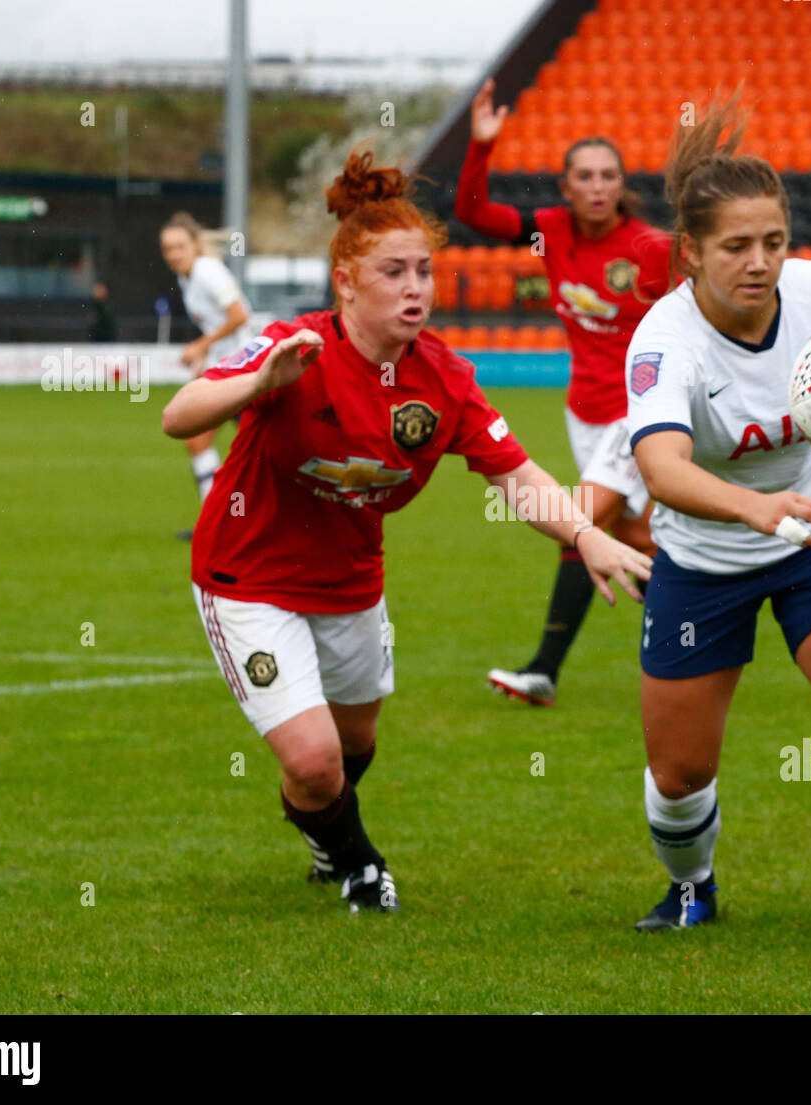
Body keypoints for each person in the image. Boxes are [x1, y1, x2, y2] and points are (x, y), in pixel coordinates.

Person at [161, 147, 651, 913]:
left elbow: (518, 477)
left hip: (351, 583)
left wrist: (586, 535)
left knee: (354, 747)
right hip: (247, 580)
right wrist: (257, 383)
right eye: (393, 272)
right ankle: (360, 863)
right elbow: (177, 414)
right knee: (317, 758)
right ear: (346, 282)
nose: (415, 287)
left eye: (423, 270)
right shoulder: (297, 347)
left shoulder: (446, 379)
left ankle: (324, 829)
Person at [624, 97, 811, 932]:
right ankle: (694, 887)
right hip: (705, 556)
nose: (760, 263)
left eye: (775, 242)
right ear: (690, 253)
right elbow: (661, 467)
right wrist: (753, 508)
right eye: (735, 246)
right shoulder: (664, 343)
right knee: (679, 773)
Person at [454, 77, 673, 706]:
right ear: (566, 185)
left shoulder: (651, 249)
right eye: (585, 176)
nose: (598, 186)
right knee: (638, 541)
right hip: (585, 415)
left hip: (638, 414)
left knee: (576, 522)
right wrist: (481, 148)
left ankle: (544, 670)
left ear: (622, 183)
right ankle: (707, 631)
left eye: (609, 175)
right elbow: (471, 213)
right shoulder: (550, 229)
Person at [159, 212, 255, 538]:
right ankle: (217, 522)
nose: (173, 254)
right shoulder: (190, 278)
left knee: (262, 452)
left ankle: (226, 523)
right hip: (226, 369)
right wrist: (205, 356)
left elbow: (240, 315)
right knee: (198, 441)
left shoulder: (207, 272)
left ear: (195, 245)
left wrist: (202, 345)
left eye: (179, 246)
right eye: (168, 249)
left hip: (243, 372)